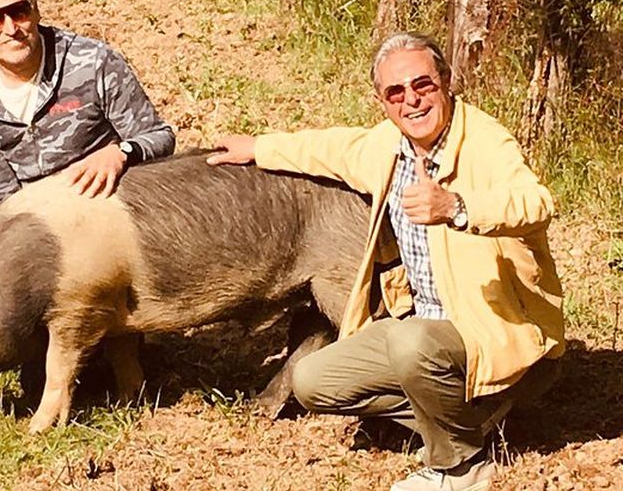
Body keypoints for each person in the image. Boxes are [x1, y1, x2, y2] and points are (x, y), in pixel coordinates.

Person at [207, 32, 563, 491]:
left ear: (446, 83)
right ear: (382, 101)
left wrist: (456, 207)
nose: (411, 101)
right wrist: (260, 148)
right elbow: (330, 149)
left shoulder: (487, 142)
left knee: (413, 343)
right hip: (428, 330)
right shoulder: (387, 146)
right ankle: (471, 419)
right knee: (314, 381)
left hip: (498, 334)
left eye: (423, 85)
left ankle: (462, 466)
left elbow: (535, 203)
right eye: (396, 92)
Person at [0, 0, 175, 214]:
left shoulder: (94, 62)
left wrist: (120, 152)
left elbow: (159, 137)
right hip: (34, 219)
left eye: (19, 12)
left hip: (107, 202)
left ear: (36, 11)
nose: (10, 29)